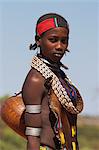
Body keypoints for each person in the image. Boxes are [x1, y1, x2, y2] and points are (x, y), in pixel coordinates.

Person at [22, 13, 84, 150]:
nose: (60, 46)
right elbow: (33, 136)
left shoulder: (60, 76)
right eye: (53, 40)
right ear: (38, 40)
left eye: (64, 41)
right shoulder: (36, 79)